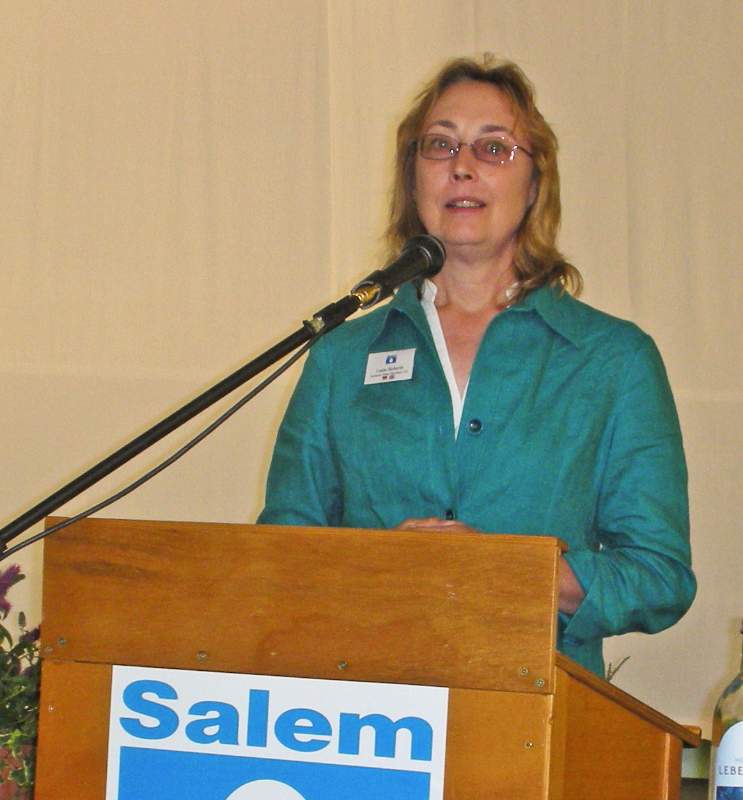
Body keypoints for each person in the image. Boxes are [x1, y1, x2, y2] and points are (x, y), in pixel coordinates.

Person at [257, 56, 696, 677]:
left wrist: (506, 573)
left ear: (536, 183)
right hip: (365, 706)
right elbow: (280, 559)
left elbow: (658, 575)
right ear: (414, 179)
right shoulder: (339, 357)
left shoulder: (614, 360)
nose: (462, 166)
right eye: (440, 145)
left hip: (537, 704)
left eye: (494, 148)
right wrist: (379, 565)